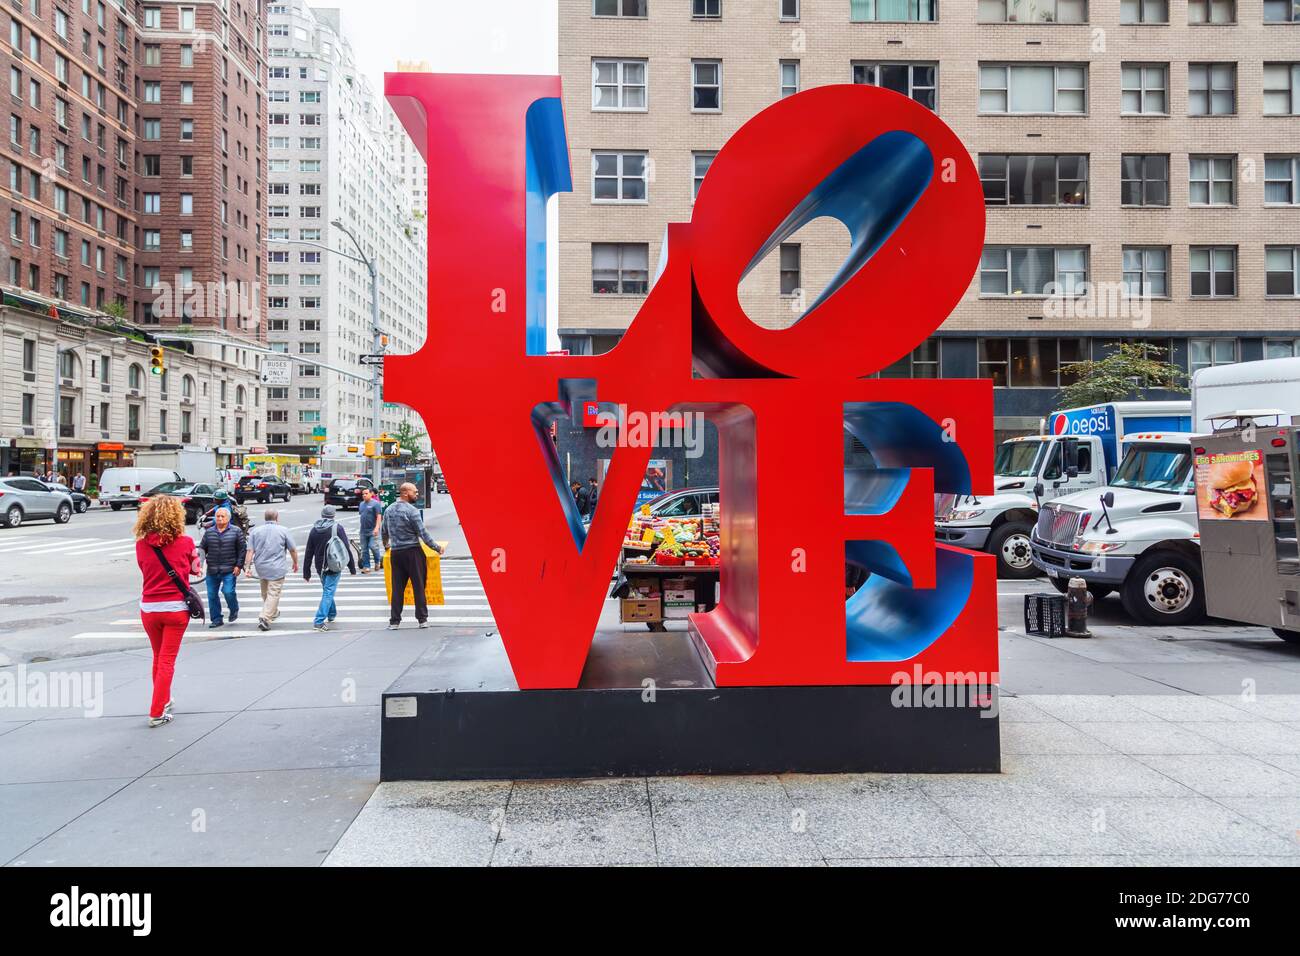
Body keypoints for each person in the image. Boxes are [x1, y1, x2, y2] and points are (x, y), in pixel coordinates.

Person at [133, 495, 201, 727]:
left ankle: (163, 698)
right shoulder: (186, 542)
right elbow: (195, 571)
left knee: (157, 656)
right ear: (176, 516)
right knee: (167, 660)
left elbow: (144, 568)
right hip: (175, 609)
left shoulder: (141, 544)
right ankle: (156, 712)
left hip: (149, 608)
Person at [382, 482, 444, 630]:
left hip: (396, 553)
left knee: (397, 588)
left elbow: (384, 532)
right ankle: (422, 619)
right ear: (405, 493)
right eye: (414, 492)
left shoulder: (388, 510)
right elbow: (423, 534)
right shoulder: (412, 511)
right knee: (418, 587)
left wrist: (386, 546)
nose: (417, 494)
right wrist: (437, 548)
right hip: (413, 552)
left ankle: (394, 621)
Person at [303, 505, 356, 631]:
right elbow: (346, 549)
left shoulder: (314, 530)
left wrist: (307, 571)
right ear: (333, 515)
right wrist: (352, 567)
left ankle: (331, 614)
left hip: (319, 566)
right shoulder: (337, 528)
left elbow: (309, 551)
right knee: (328, 592)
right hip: (333, 565)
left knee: (327, 590)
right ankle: (319, 621)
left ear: (322, 515)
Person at [245, 508, 298, 631]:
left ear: (265, 518)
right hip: (277, 567)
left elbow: (250, 551)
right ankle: (265, 617)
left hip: (261, 567)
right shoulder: (283, 530)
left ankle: (272, 612)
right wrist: (295, 563)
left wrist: (248, 567)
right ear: (277, 517)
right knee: (273, 593)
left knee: (265, 593)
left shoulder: (255, 531)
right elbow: (293, 549)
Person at [199, 506, 246, 628]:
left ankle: (234, 608)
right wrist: (200, 563)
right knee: (211, 595)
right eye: (217, 516)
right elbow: (202, 548)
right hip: (212, 569)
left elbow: (242, 550)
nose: (219, 518)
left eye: (222, 516)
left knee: (228, 591)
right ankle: (216, 619)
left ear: (228, 518)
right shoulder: (209, 532)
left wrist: (239, 566)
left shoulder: (236, 531)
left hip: (229, 569)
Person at [357, 487, 384, 574]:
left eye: (366, 493)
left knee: (373, 546)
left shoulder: (375, 504)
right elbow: (362, 515)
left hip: (373, 530)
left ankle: (377, 561)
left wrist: (377, 528)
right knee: (364, 549)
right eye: (363, 494)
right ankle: (366, 566)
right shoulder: (361, 504)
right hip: (363, 531)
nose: (364, 495)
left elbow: (379, 516)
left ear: (371, 494)